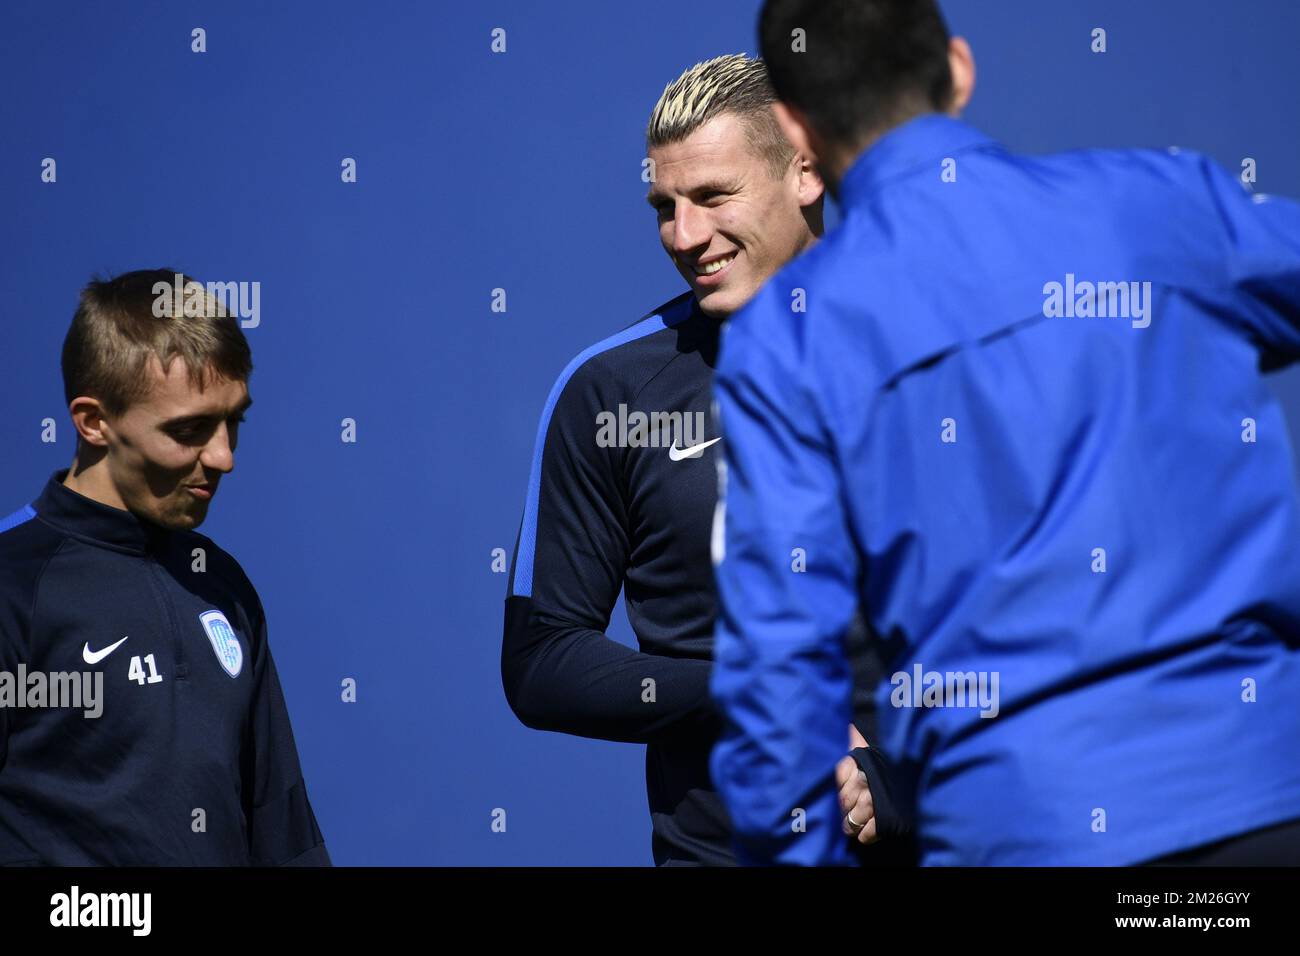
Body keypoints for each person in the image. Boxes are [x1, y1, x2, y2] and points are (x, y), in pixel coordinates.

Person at [710, 0, 1300, 865]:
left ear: (794, 126)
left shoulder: (788, 340)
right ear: (958, 69)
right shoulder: (1158, 205)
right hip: (1263, 794)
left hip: (1021, 829)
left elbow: (777, 676)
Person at [502, 55, 908, 865]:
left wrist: (901, 786)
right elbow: (542, 660)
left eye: (713, 197)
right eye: (664, 206)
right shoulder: (611, 393)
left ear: (806, 172)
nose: (684, 237)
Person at [0, 269, 330, 866]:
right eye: (190, 430)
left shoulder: (224, 588)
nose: (224, 456)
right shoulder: (12, 585)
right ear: (93, 421)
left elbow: (284, 835)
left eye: (235, 422)